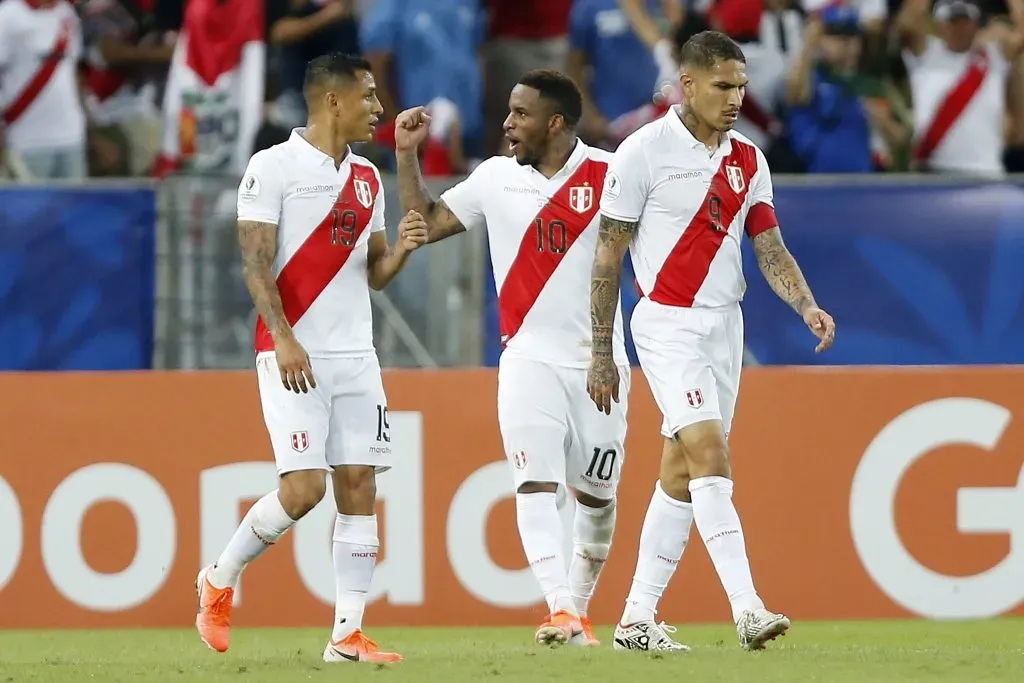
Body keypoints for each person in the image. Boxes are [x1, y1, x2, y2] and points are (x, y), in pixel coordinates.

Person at [588, 30, 836, 652]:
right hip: (667, 323)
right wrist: (601, 348)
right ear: (688, 84)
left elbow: (768, 244)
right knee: (710, 454)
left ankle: (636, 619)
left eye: (742, 87)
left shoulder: (749, 159)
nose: (735, 98)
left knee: (679, 470)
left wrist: (805, 303)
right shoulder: (642, 152)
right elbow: (607, 256)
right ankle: (748, 608)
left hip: (727, 326)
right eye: (723, 86)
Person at [194, 53, 427, 665]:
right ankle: (219, 579)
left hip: (357, 357)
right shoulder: (272, 167)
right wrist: (284, 334)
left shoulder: (368, 179)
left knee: (359, 487)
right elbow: (254, 261)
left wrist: (401, 250)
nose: (379, 108)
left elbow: (373, 274)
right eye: (370, 97)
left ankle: (346, 635)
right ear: (332, 101)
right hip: (290, 352)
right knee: (302, 491)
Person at [392, 70, 631, 648]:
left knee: (597, 499)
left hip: (600, 363)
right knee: (534, 484)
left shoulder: (612, 175)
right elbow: (424, 224)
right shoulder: (494, 178)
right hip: (526, 359)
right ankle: (560, 611)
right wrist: (405, 155)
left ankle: (577, 608)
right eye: (507, 111)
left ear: (555, 122)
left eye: (520, 114)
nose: (506, 124)